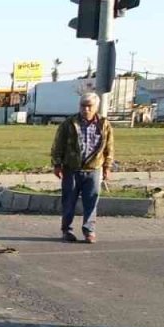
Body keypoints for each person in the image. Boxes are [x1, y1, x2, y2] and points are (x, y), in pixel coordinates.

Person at [52, 92, 114, 244]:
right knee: (69, 201)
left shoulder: (104, 124)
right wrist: (57, 164)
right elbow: (58, 145)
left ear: (96, 107)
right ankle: (67, 230)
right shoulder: (69, 123)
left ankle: (89, 231)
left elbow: (109, 147)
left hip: (93, 169)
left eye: (89, 106)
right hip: (71, 169)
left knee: (91, 201)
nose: (85, 109)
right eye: (83, 105)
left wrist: (107, 167)